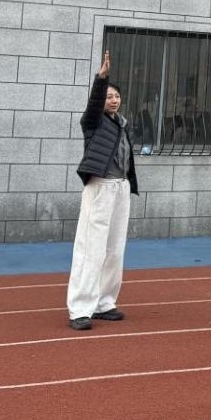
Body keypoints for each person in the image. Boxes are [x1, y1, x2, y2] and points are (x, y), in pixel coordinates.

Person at [66, 50, 139, 330]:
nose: (113, 100)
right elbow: (94, 104)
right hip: (100, 188)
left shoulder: (122, 124)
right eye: (109, 96)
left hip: (120, 187)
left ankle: (104, 303)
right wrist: (101, 79)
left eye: (116, 96)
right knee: (91, 248)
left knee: (114, 249)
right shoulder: (93, 122)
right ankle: (80, 309)